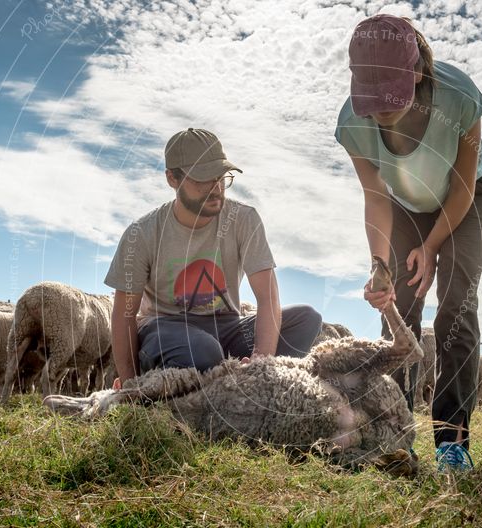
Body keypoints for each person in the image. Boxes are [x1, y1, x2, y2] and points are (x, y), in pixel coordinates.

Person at [335, 15, 482, 472]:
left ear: (419, 73)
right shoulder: (353, 123)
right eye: (373, 97)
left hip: (467, 199)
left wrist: (432, 247)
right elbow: (375, 198)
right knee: (400, 308)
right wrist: (379, 266)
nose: (382, 109)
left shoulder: (459, 98)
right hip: (403, 203)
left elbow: (463, 186)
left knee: (455, 308)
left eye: (392, 95)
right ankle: (396, 434)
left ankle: (452, 442)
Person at [105, 128, 322, 386]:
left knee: (307, 319)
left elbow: (268, 297)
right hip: (166, 326)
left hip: (228, 326)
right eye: (202, 179)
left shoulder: (244, 220)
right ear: (172, 178)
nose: (216, 188)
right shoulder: (141, 234)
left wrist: (260, 361)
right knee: (205, 351)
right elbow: (124, 315)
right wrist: (130, 382)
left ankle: (250, 387)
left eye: (221, 177)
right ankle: (164, 384)